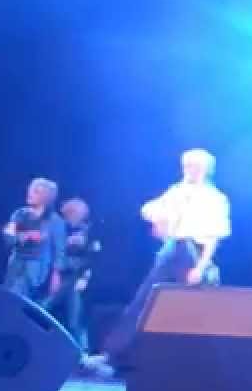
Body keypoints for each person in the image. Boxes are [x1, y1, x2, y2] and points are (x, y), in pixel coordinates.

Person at [88, 149, 231, 374]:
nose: (188, 170)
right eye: (186, 165)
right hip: (171, 249)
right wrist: (161, 220)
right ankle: (112, 357)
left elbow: (213, 237)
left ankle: (198, 366)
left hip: (192, 252)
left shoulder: (215, 199)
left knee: (192, 312)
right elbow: (150, 209)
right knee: (144, 302)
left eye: (192, 166)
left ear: (204, 169)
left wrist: (200, 267)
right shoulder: (178, 191)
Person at [45, 198, 100, 351]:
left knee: (75, 319)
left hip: (75, 280)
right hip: (58, 277)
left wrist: (85, 277)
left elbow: (93, 258)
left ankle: (82, 351)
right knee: (46, 308)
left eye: (73, 214)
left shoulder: (89, 232)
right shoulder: (59, 228)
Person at [2, 178, 65, 304]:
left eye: (36, 191)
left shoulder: (55, 221)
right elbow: (8, 237)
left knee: (18, 298)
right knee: (9, 298)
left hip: (36, 268)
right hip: (15, 265)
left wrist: (56, 274)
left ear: (46, 197)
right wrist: (26, 236)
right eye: (30, 190)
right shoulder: (19, 214)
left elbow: (59, 250)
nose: (30, 193)